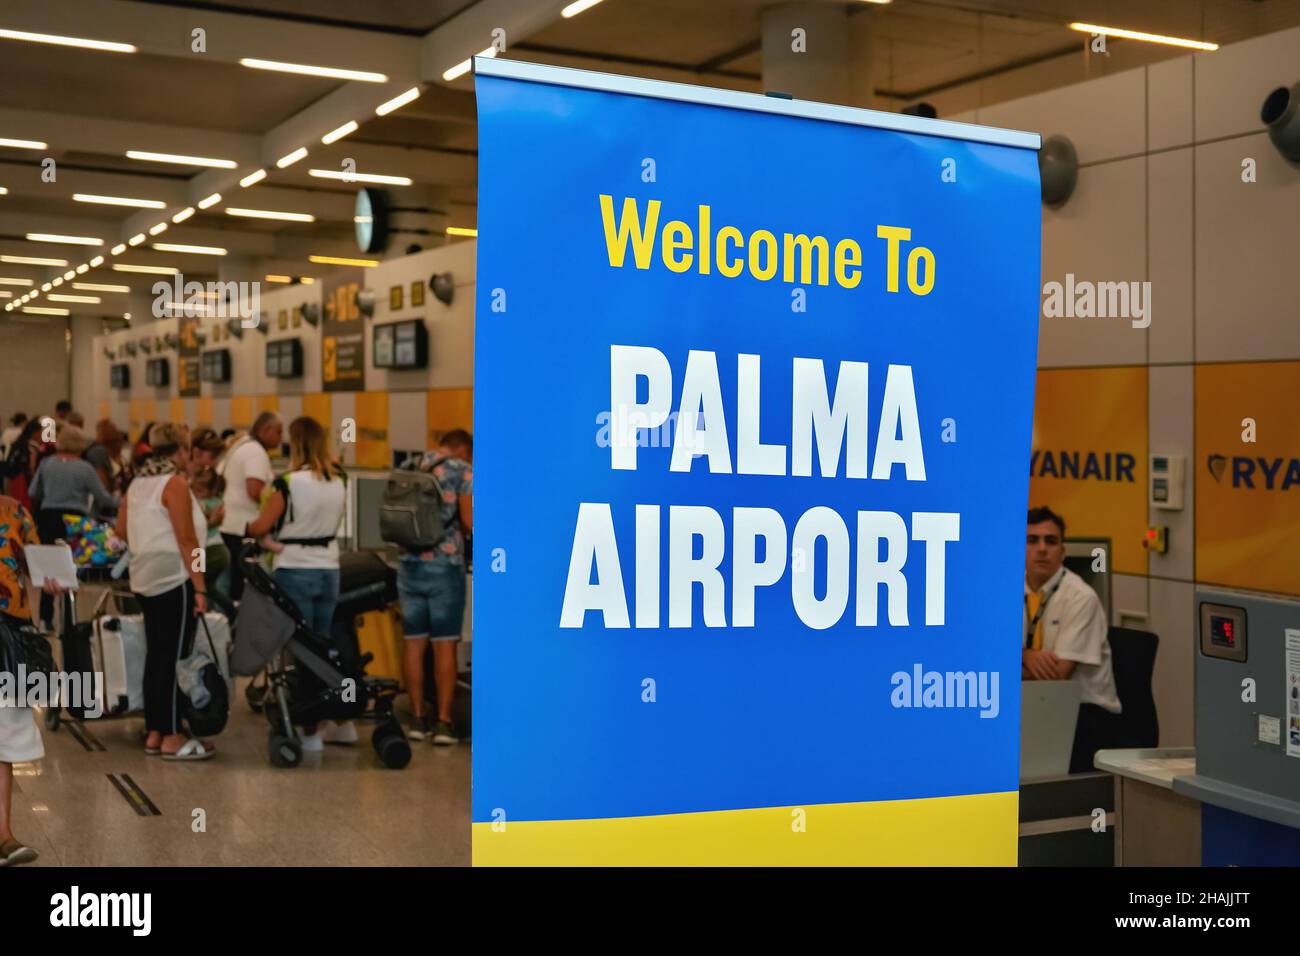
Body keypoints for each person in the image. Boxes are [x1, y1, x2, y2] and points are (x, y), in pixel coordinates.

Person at [247, 416, 349, 751]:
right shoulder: (339, 479)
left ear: (296, 443)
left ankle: (307, 728)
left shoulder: (287, 483)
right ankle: (335, 720)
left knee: (301, 652)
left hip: (295, 570)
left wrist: (250, 530)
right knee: (324, 647)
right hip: (329, 569)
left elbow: (262, 525)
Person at [115, 423, 213, 761]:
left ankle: (155, 730)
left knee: (156, 654)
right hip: (175, 579)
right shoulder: (175, 484)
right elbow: (188, 540)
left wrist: (148, 547)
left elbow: (121, 530)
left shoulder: (138, 483)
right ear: (181, 450)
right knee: (175, 657)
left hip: (144, 578)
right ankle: (172, 735)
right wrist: (199, 586)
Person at [1022, 506, 1122, 774]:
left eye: (1051, 541)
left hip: (1086, 714)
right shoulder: (1006, 590)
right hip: (1035, 706)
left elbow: (1057, 674)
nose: (1042, 549)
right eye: (1032, 540)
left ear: (1063, 552)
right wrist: (1024, 655)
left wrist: (1006, 663)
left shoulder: (1081, 597)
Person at [399, 429, 472, 744]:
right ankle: (443, 722)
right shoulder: (462, 471)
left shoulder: (411, 465)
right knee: (445, 644)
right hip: (445, 566)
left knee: (414, 643)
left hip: (408, 565)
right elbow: (470, 522)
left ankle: (416, 718)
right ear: (462, 449)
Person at [0, 493, 49, 866]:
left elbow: (37, 566)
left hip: (10, 633)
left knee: (6, 734)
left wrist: (54, 580)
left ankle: (4, 835)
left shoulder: (15, 510)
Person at [29, 426, 118, 628]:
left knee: (48, 569)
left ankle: (45, 617)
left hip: (48, 518)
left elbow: (33, 491)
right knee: (72, 569)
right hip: (74, 522)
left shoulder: (46, 464)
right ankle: (70, 619)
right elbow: (103, 498)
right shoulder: (84, 468)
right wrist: (122, 501)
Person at [218, 412, 281, 602]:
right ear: (265, 430)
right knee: (244, 588)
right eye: (278, 432)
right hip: (243, 529)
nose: (281, 438)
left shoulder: (243, 445)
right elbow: (255, 490)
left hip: (230, 525)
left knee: (234, 586)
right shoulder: (256, 452)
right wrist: (278, 503)